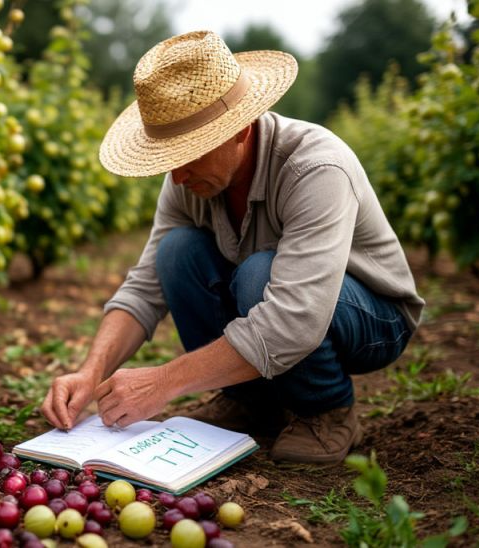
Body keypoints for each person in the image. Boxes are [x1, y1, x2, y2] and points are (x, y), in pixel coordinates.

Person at [40, 31, 424, 464]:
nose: (177, 176)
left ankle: (326, 410)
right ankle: (250, 402)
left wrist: (165, 381)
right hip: (282, 303)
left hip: (372, 319)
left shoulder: (315, 167)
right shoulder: (187, 181)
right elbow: (146, 287)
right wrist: (92, 374)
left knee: (260, 274)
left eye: (189, 154)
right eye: (168, 158)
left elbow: (294, 317)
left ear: (240, 129)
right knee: (176, 252)